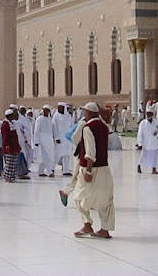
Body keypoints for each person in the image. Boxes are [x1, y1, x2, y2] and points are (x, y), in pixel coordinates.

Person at [73, 102, 115, 239]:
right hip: (104, 169)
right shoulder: (104, 127)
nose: (84, 114)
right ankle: (105, 229)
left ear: (89, 113)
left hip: (90, 168)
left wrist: (88, 171)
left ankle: (87, 224)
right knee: (105, 199)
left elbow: (91, 151)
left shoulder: (87, 127)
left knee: (79, 196)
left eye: (85, 112)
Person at [52, 102, 73, 175]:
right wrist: (56, 137)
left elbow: (71, 126)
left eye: (61, 107)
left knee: (66, 155)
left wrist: (71, 135)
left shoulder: (68, 116)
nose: (59, 108)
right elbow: (54, 127)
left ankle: (66, 170)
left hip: (67, 138)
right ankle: (51, 168)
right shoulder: (56, 116)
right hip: (59, 139)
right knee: (57, 154)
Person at [34, 105, 55, 177]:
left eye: (47, 110)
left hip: (49, 140)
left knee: (45, 156)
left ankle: (40, 171)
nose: (45, 111)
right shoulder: (39, 119)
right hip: (42, 139)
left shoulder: (50, 119)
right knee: (46, 155)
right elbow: (36, 130)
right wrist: (36, 141)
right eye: (44, 110)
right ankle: (50, 172)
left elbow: (51, 131)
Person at [0, 109, 21, 183]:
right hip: (9, 147)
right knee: (9, 163)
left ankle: (12, 176)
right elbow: (5, 136)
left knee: (13, 162)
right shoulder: (5, 124)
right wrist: (7, 146)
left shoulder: (12, 123)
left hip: (14, 146)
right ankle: (7, 177)